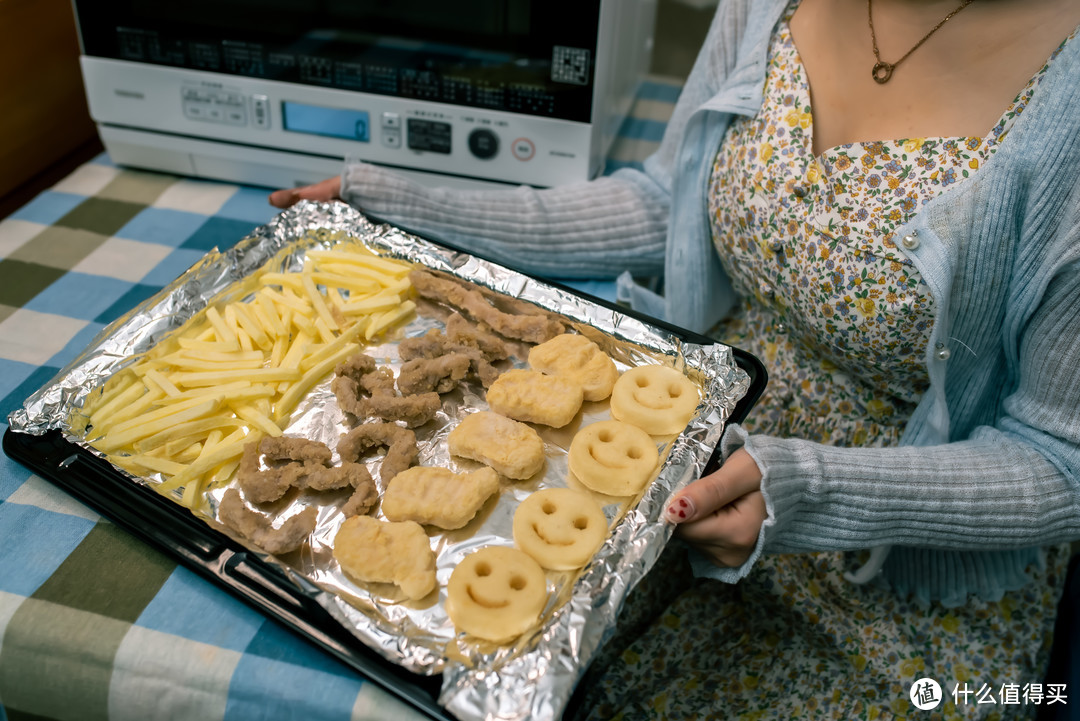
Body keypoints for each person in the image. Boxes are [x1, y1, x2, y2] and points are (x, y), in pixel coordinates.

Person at [271, 0, 1080, 717]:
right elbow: (669, 204)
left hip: (909, 553)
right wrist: (411, 209)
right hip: (684, 452)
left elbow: (1059, 457)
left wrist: (815, 494)